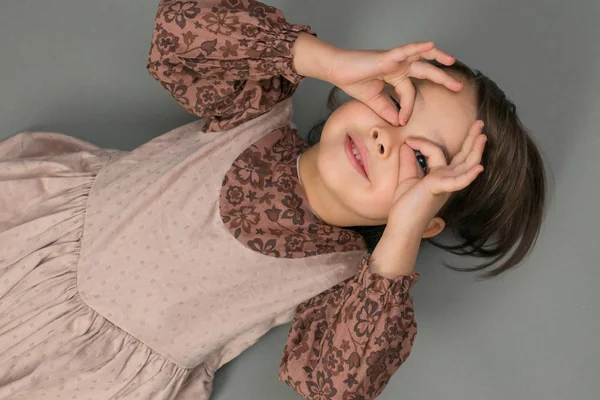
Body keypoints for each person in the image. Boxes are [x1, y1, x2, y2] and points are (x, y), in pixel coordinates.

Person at [0, 0, 546, 399]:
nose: (387, 138)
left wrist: (401, 233)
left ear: (428, 217)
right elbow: (179, 29)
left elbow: (337, 385)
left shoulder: (340, 278)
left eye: (422, 161)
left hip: (85, 372)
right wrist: (326, 60)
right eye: (396, 106)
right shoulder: (257, 106)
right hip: (30, 241)